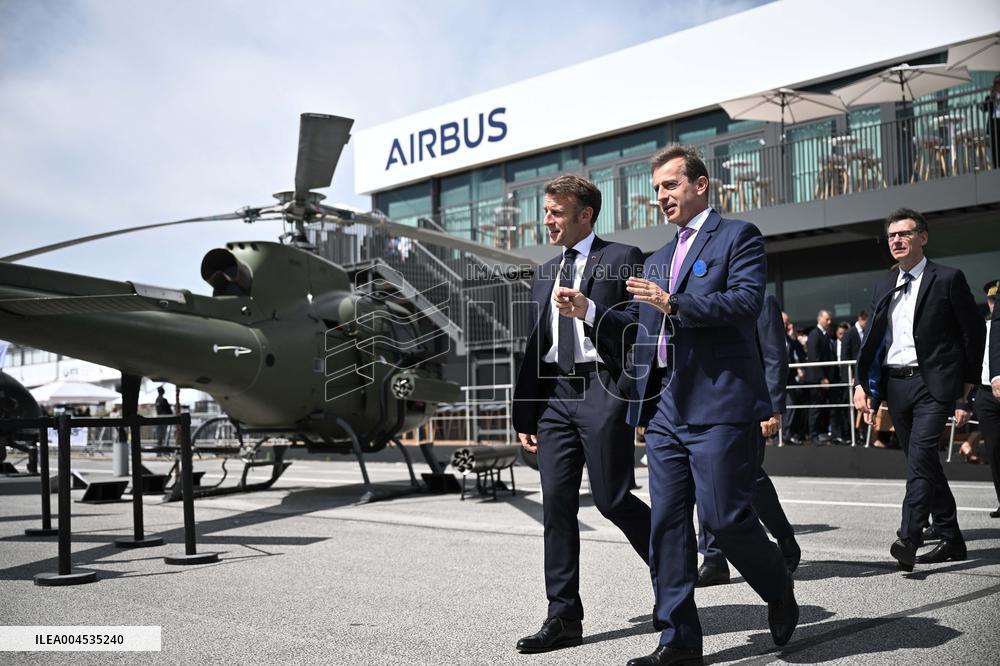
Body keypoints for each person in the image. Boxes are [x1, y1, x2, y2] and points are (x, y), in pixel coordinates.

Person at [556, 145, 798, 665]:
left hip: (718, 402)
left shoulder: (738, 237)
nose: (660, 196)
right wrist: (593, 308)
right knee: (668, 524)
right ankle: (678, 639)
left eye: (670, 185)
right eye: (658, 189)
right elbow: (643, 328)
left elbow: (744, 304)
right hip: (664, 406)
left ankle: (778, 587)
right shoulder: (660, 257)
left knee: (726, 518)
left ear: (700, 185)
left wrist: (674, 303)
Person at [512, 174, 651, 654]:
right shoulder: (543, 270)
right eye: (546, 211)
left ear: (584, 215)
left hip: (601, 389)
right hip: (553, 396)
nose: (546, 219)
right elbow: (535, 347)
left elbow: (637, 326)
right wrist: (528, 415)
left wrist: (590, 309)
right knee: (556, 507)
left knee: (613, 500)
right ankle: (563, 616)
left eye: (554, 211)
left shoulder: (622, 258)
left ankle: (670, 575)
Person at [854, 208, 985, 571]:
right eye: (892, 235)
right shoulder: (884, 284)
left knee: (923, 452)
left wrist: (969, 379)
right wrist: (861, 383)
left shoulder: (947, 278)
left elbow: (974, 331)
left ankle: (909, 536)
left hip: (933, 383)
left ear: (922, 237)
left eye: (904, 234)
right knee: (919, 459)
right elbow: (873, 342)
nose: (896, 240)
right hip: (896, 385)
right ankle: (951, 536)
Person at [696, 293, 801, 588]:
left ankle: (783, 535)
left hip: (746, 406)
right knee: (703, 479)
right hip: (704, 405)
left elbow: (774, 354)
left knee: (750, 478)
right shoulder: (700, 297)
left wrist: (772, 407)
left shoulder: (760, 300)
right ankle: (714, 559)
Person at [974, 279, 1000, 517]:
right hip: (985, 394)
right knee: (994, 450)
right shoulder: (981, 328)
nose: (995, 304)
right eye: (992, 300)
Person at [806, 310, 835, 443]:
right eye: (827, 319)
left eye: (830, 319)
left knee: (822, 407)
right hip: (816, 380)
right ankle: (813, 434)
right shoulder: (814, 335)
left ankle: (820, 432)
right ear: (819, 319)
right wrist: (821, 377)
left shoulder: (825, 335)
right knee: (816, 407)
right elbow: (814, 358)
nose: (829, 322)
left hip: (824, 379)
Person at [781, 312, 808, 445]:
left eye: (788, 322)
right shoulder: (771, 335)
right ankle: (781, 435)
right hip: (778, 380)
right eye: (785, 322)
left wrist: (794, 336)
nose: (787, 325)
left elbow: (800, 353)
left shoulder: (788, 338)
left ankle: (787, 434)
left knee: (790, 407)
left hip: (789, 380)